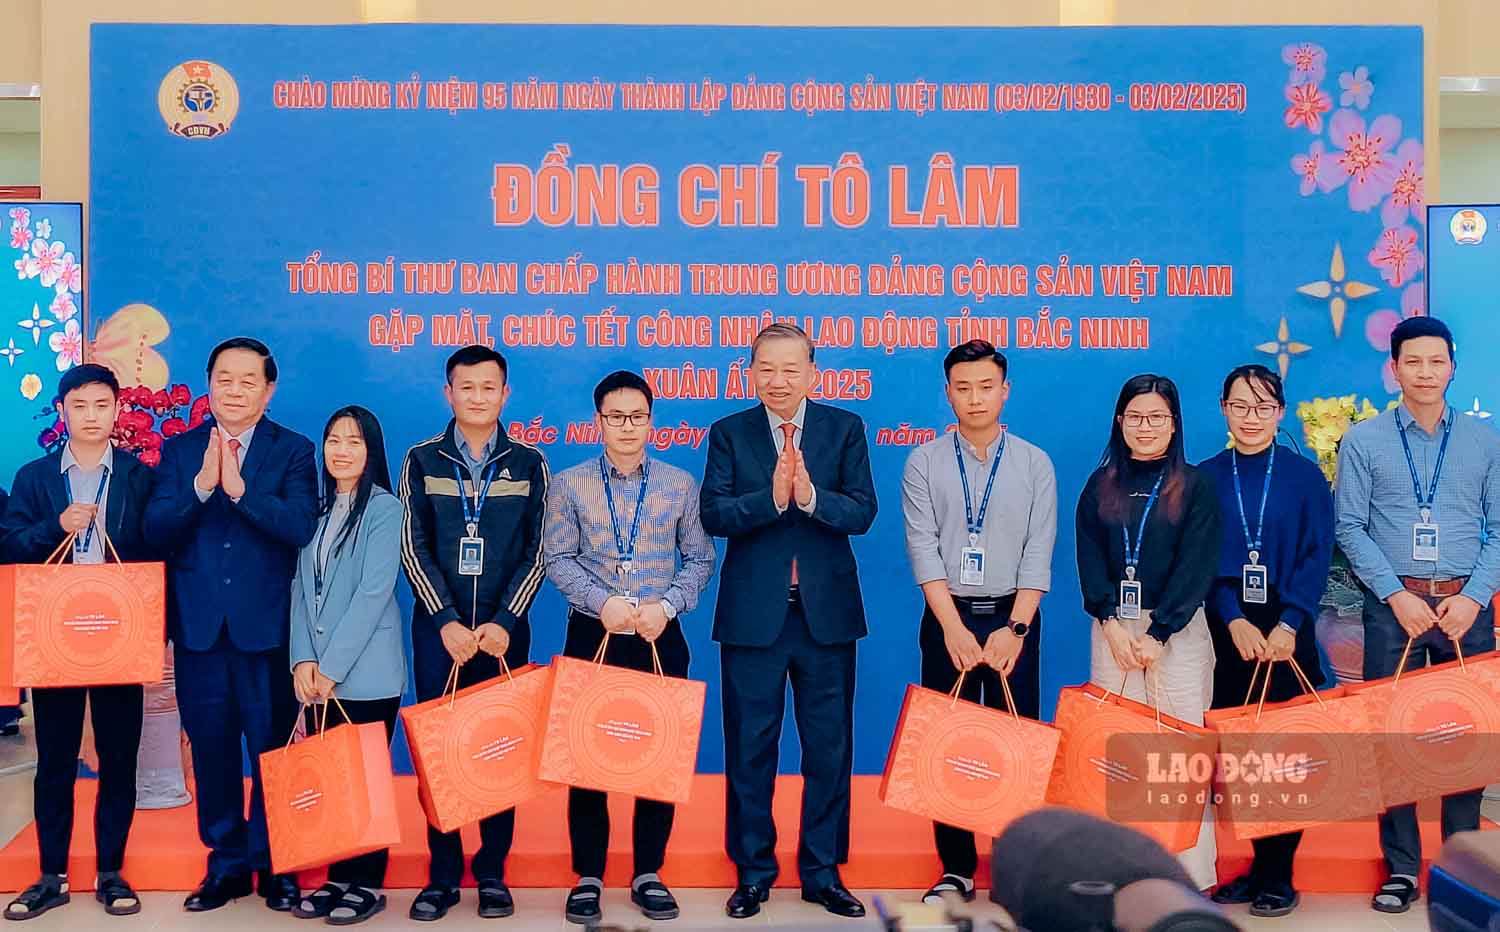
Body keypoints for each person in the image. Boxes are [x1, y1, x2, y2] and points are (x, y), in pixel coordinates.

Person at [700, 323, 878, 920]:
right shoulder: (730, 433)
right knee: (750, 748)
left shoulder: (844, 428)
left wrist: (810, 498)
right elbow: (714, 514)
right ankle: (753, 872)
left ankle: (823, 872)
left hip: (826, 617)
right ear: (750, 371)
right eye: (766, 369)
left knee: (829, 748)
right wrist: (772, 500)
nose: (778, 380)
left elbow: (863, 512)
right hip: (754, 618)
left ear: (812, 372)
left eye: (790, 369)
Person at [144, 337, 319, 913]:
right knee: (213, 751)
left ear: (269, 390)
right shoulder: (180, 450)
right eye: (225, 378)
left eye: (249, 380)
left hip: (267, 632)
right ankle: (225, 865)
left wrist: (241, 492)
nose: (235, 390)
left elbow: (299, 526)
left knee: (273, 751)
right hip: (199, 632)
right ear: (209, 383)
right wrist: (201, 487)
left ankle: (276, 864)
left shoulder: (293, 450)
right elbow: (155, 530)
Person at [1334, 316, 1500, 915]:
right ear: (1394, 368)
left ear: (1452, 367)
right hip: (1393, 609)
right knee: (1392, 741)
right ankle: (1401, 868)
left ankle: (1464, 869)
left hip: (1463, 607)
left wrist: (1474, 597)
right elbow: (1349, 526)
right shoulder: (1364, 440)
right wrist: (1395, 595)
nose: (1425, 372)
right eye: (1413, 361)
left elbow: (1499, 528)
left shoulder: (1484, 441)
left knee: (1467, 741)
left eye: (1436, 361)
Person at [542, 370, 716, 926]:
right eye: (615, 417)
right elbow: (557, 559)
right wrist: (602, 603)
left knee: (658, 757)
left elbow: (701, 558)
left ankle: (648, 873)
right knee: (586, 760)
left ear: (651, 421)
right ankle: (589, 876)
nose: (626, 426)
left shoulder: (678, 484)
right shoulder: (569, 485)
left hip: (659, 634)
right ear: (598, 421)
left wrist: (668, 605)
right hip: (593, 632)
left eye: (637, 416)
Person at [899, 340, 1056, 904]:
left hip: (1014, 617)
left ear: (1005, 390)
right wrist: (952, 628)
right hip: (950, 619)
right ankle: (957, 869)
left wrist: (1016, 630)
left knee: (1016, 744)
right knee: (949, 746)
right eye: (963, 388)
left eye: (986, 387)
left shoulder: (1034, 463)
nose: (975, 398)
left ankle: (1018, 866)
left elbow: (1039, 551)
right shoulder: (923, 462)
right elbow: (923, 551)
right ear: (948, 393)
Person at [398, 344, 550, 922]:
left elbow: (539, 551)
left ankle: (491, 872)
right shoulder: (422, 460)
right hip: (439, 634)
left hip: (504, 634)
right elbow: (413, 546)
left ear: (505, 394)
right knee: (440, 753)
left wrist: (506, 620)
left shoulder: (530, 463)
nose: (478, 397)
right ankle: (442, 874)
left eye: (489, 387)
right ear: (449, 393)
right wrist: (445, 621)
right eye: (467, 387)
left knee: (498, 750)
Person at [0, 365, 155, 921]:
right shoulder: (34, 477)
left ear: (117, 410)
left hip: (121, 634)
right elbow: (10, 545)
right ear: (63, 411)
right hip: (55, 633)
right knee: (55, 759)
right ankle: (51, 875)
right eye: (80, 405)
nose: (91, 415)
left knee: (119, 756)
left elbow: (157, 549)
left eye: (101, 405)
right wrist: (56, 525)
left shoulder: (139, 476)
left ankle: (111, 871)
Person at [1075, 373, 1221, 891]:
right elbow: (1090, 557)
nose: (1145, 426)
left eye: (1157, 417)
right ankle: (1120, 872)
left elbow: (1198, 565)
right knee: (1119, 754)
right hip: (1114, 632)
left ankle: (1188, 877)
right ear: (1120, 421)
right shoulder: (1101, 484)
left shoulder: (1196, 486)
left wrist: (1159, 633)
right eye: (1135, 416)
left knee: (1180, 757)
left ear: (1174, 424)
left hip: (1175, 633)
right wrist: (1110, 622)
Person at [1200, 365, 1334, 919]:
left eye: (1262, 407)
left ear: (1280, 413)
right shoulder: (1205, 477)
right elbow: (1200, 558)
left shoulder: (1305, 477)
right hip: (1228, 630)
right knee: (1242, 759)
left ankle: (1280, 875)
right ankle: (1258, 867)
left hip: (1287, 627)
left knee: (1284, 758)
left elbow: (1318, 553)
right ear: (1224, 409)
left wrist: (1290, 623)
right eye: (1240, 406)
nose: (1251, 417)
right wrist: (1232, 617)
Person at [287, 405, 405, 925]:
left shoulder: (384, 509)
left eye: (354, 441)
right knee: (334, 781)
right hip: (317, 676)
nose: (341, 450)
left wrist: (331, 668)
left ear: (371, 450)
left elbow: (374, 593)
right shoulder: (315, 511)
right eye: (334, 440)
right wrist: (302, 660)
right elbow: (299, 588)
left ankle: (367, 883)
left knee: (366, 780)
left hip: (367, 673)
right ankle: (337, 878)